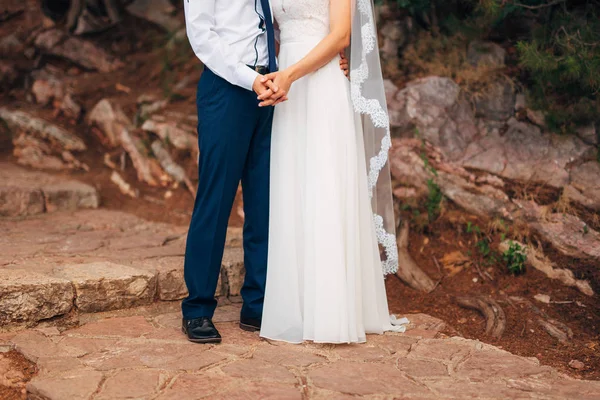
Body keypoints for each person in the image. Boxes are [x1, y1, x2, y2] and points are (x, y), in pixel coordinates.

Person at [181, 0, 349, 343]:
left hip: (274, 88)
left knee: (265, 200)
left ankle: (257, 303)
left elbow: (277, 26)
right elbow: (202, 38)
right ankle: (197, 309)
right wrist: (250, 78)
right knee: (215, 200)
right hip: (227, 87)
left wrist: (326, 58)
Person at [259, 0, 407, 343]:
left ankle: (332, 310)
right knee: (294, 187)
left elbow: (341, 34)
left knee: (325, 186)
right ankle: (296, 307)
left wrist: (291, 74)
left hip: (319, 85)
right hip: (287, 92)